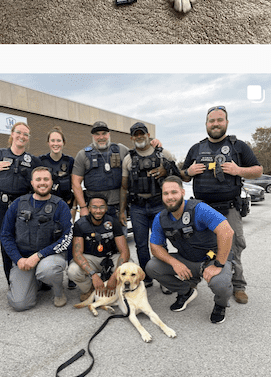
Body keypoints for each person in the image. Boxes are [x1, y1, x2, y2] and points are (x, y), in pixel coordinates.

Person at [181, 106, 262, 304]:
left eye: (219, 120)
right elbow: (182, 175)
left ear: (226, 122)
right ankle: (191, 283)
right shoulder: (196, 148)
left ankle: (239, 285)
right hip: (202, 209)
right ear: (206, 124)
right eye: (211, 121)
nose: (215, 124)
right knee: (197, 246)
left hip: (229, 208)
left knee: (234, 247)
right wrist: (188, 172)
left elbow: (258, 170)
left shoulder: (238, 146)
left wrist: (238, 170)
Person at [146, 176, 234, 324]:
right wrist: (174, 262)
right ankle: (186, 291)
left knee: (220, 283)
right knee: (152, 267)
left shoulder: (199, 209)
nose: (170, 197)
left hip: (212, 259)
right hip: (187, 260)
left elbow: (226, 231)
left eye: (174, 192)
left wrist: (218, 264)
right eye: (165, 194)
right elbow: (155, 247)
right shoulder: (160, 218)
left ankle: (220, 304)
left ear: (182, 192)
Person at [0, 166, 73, 311]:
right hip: (24, 259)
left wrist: (39, 255)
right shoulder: (18, 204)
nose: (42, 183)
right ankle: (36, 282)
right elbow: (6, 235)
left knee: (48, 271)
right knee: (20, 304)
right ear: (32, 183)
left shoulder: (61, 205)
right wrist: (18, 259)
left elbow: (67, 237)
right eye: (38, 179)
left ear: (51, 182)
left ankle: (58, 292)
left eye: (46, 179)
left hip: (49, 257)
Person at [120, 122, 181, 287]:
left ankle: (164, 278)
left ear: (148, 135)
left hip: (158, 205)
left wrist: (166, 170)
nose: (140, 137)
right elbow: (124, 187)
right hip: (137, 207)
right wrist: (121, 211)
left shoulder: (163, 154)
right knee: (141, 245)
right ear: (132, 138)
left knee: (160, 242)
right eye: (136, 134)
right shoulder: (128, 159)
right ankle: (146, 276)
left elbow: (178, 176)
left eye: (142, 133)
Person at [0, 122, 38, 281]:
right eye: (19, 132)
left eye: (26, 134)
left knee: (25, 239)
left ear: (28, 139)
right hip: (1, 205)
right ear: (12, 134)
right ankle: (11, 280)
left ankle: (30, 277)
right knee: (6, 240)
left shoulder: (32, 160)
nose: (22, 136)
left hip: (23, 204)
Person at [71, 119, 162, 223]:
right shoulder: (83, 155)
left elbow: (141, 154)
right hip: (94, 208)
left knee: (120, 237)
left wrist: (152, 144)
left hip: (118, 208)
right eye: (97, 134)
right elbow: (75, 183)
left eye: (104, 133)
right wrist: (83, 207)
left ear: (109, 134)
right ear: (92, 136)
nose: (101, 137)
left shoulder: (121, 149)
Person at [67, 195, 130, 300]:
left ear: (106, 208)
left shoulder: (113, 222)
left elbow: (124, 251)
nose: (98, 210)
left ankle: (113, 287)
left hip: (110, 257)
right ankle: (89, 289)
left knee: (128, 267)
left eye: (101, 207)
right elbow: (77, 254)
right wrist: (93, 275)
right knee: (73, 270)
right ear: (89, 208)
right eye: (94, 207)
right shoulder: (80, 224)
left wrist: (115, 276)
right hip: (90, 258)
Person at [37, 126, 76, 288]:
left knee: (69, 239)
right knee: (48, 240)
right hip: (47, 208)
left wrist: (73, 208)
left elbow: (75, 186)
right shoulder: (41, 161)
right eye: (52, 140)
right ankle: (48, 278)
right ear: (48, 142)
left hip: (66, 207)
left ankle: (72, 275)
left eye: (58, 140)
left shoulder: (70, 161)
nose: (55, 143)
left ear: (63, 142)